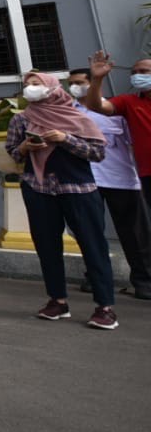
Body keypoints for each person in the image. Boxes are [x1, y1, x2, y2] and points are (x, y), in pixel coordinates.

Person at [8, 70, 117, 329]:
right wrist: (25, 147)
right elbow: (13, 152)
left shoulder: (77, 116)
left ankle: (105, 307)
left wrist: (65, 139)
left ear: (52, 87)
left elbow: (97, 153)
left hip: (78, 189)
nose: (30, 88)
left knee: (93, 246)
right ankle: (57, 301)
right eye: (27, 84)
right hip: (38, 188)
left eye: (36, 84)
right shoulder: (21, 119)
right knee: (47, 246)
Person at [68, 68, 151, 299]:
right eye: (71, 83)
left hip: (120, 179)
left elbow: (135, 142)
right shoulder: (67, 113)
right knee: (89, 232)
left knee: (134, 234)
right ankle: (96, 278)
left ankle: (144, 282)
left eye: (79, 82)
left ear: (93, 82)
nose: (74, 87)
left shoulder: (116, 110)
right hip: (84, 180)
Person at [83, 52, 151, 203]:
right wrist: (97, 79)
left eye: (143, 71)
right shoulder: (128, 101)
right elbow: (96, 106)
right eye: (134, 73)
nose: (137, 76)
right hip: (148, 172)